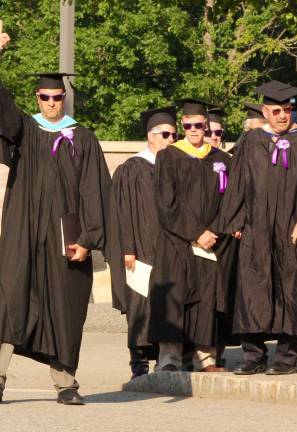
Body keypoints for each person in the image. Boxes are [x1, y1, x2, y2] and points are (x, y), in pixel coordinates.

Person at [0, 21, 115, 405]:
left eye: (57, 97)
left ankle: (66, 383)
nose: (52, 103)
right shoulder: (24, 130)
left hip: (64, 239)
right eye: (45, 97)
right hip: (23, 232)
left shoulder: (83, 138)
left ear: (64, 98)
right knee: (11, 297)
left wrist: (89, 240)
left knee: (65, 306)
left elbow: (95, 192)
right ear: (36, 98)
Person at [220, 80, 297, 375]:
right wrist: (235, 221)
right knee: (252, 289)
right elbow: (238, 183)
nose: (283, 115)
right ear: (265, 111)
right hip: (256, 228)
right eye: (277, 110)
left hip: (292, 229)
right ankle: (253, 356)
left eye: (288, 109)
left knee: (290, 289)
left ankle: (286, 358)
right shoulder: (252, 141)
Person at [149, 98, 236, 373]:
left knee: (206, 298)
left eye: (199, 125)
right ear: (182, 126)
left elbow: (230, 202)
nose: (194, 130)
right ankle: (170, 359)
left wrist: (215, 231)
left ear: (206, 126)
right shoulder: (169, 156)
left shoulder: (221, 159)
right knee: (174, 298)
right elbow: (166, 203)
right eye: (188, 125)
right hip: (177, 241)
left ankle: (204, 357)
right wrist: (196, 233)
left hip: (212, 242)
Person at [112, 107, 177, 379]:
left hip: (169, 250)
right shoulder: (131, 169)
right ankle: (138, 364)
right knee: (140, 305)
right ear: (150, 137)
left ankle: (167, 358)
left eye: (174, 134)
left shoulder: (175, 165)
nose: (171, 139)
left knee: (167, 302)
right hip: (139, 249)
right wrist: (128, 248)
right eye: (165, 134)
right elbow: (121, 212)